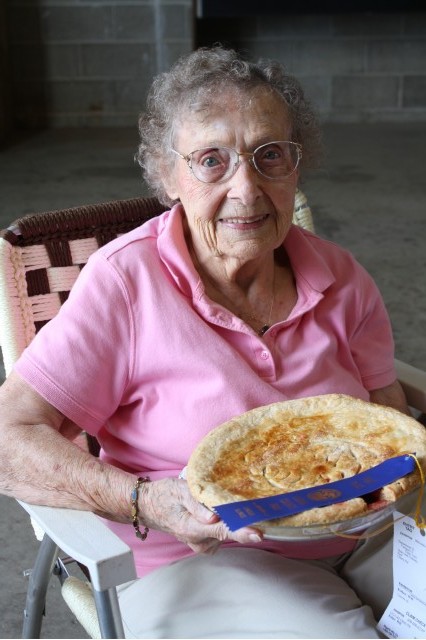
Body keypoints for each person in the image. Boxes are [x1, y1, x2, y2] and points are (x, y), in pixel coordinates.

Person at [0, 45, 413, 638]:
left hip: (357, 532)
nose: (246, 188)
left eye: (270, 155)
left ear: (296, 166)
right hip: (204, 558)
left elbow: (387, 417)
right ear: (169, 176)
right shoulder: (126, 283)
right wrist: (146, 502)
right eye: (211, 161)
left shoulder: (341, 276)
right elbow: (8, 436)